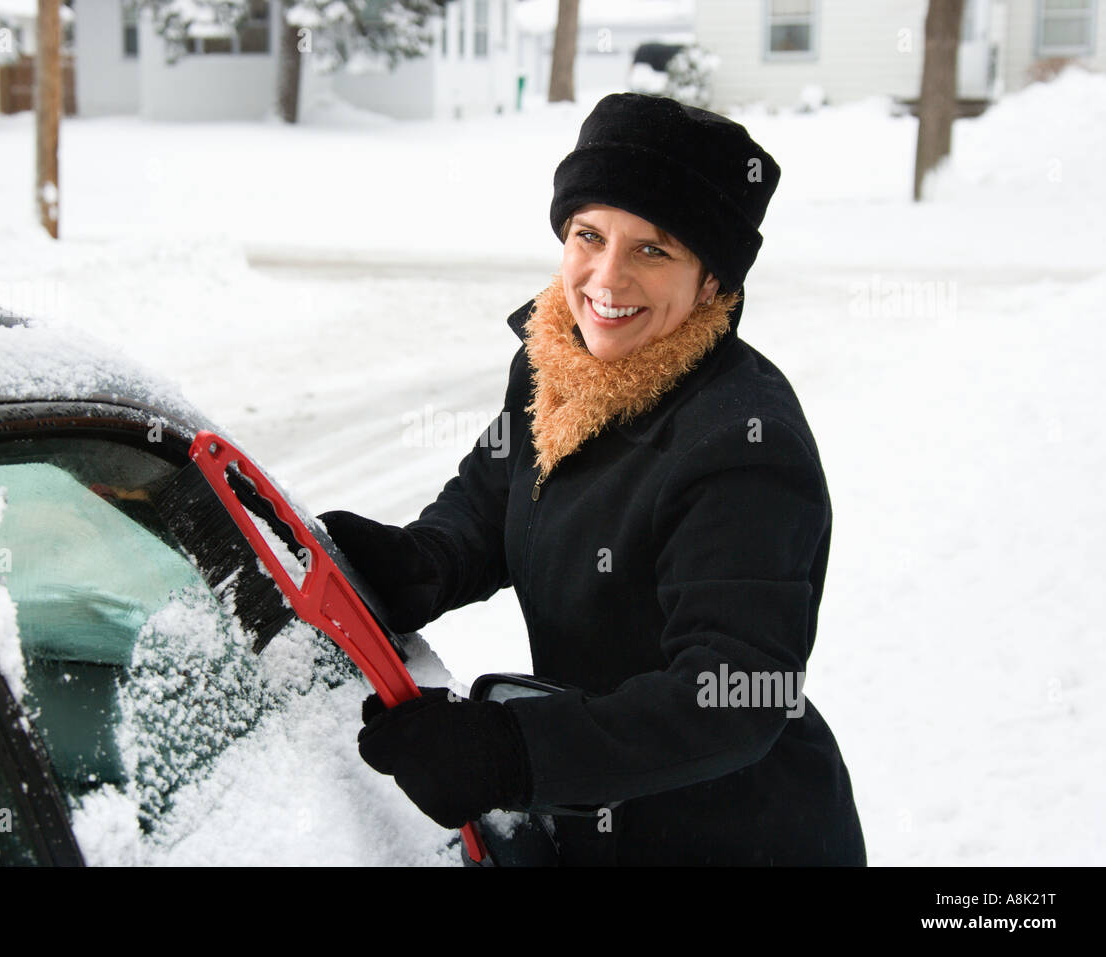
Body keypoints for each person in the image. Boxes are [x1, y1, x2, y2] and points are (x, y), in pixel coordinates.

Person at [318, 93, 866, 866]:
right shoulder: (557, 363)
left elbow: (737, 693)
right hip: (603, 825)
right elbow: (494, 493)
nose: (607, 278)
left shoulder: (744, 445)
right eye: (590, 235)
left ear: (712, 281)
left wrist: (513, 751)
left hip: (735, 836)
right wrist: (423, 563)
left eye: (653, 249)